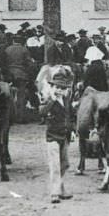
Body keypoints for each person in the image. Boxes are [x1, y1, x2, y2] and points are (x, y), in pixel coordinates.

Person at [40, 72, 75, 203]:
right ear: (52, 87)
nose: (59, 90)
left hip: (64, 135)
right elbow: (42, 112)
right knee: (55, 165)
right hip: (52, 136)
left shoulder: (66, 101)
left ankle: (61, 188)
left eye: (63, 88)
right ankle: (55, 193)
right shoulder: (48, 99)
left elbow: (70, 117)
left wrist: (72, 131)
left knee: (65, 164)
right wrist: (53, 100)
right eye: (57, 88)